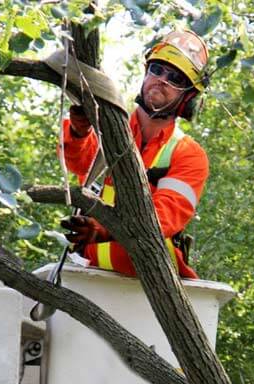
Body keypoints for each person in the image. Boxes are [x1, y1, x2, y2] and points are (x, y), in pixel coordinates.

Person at [60, 30, 210, 279]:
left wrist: (106, 227)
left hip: (149, 284)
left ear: (189, 95)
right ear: (145, 72)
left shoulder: (187, 154)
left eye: (175, 78)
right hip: (92, 276)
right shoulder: (109, 126)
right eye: (157, 70)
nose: (162, 79)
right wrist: (79, 130)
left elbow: (165, 216)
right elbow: (78, 164)